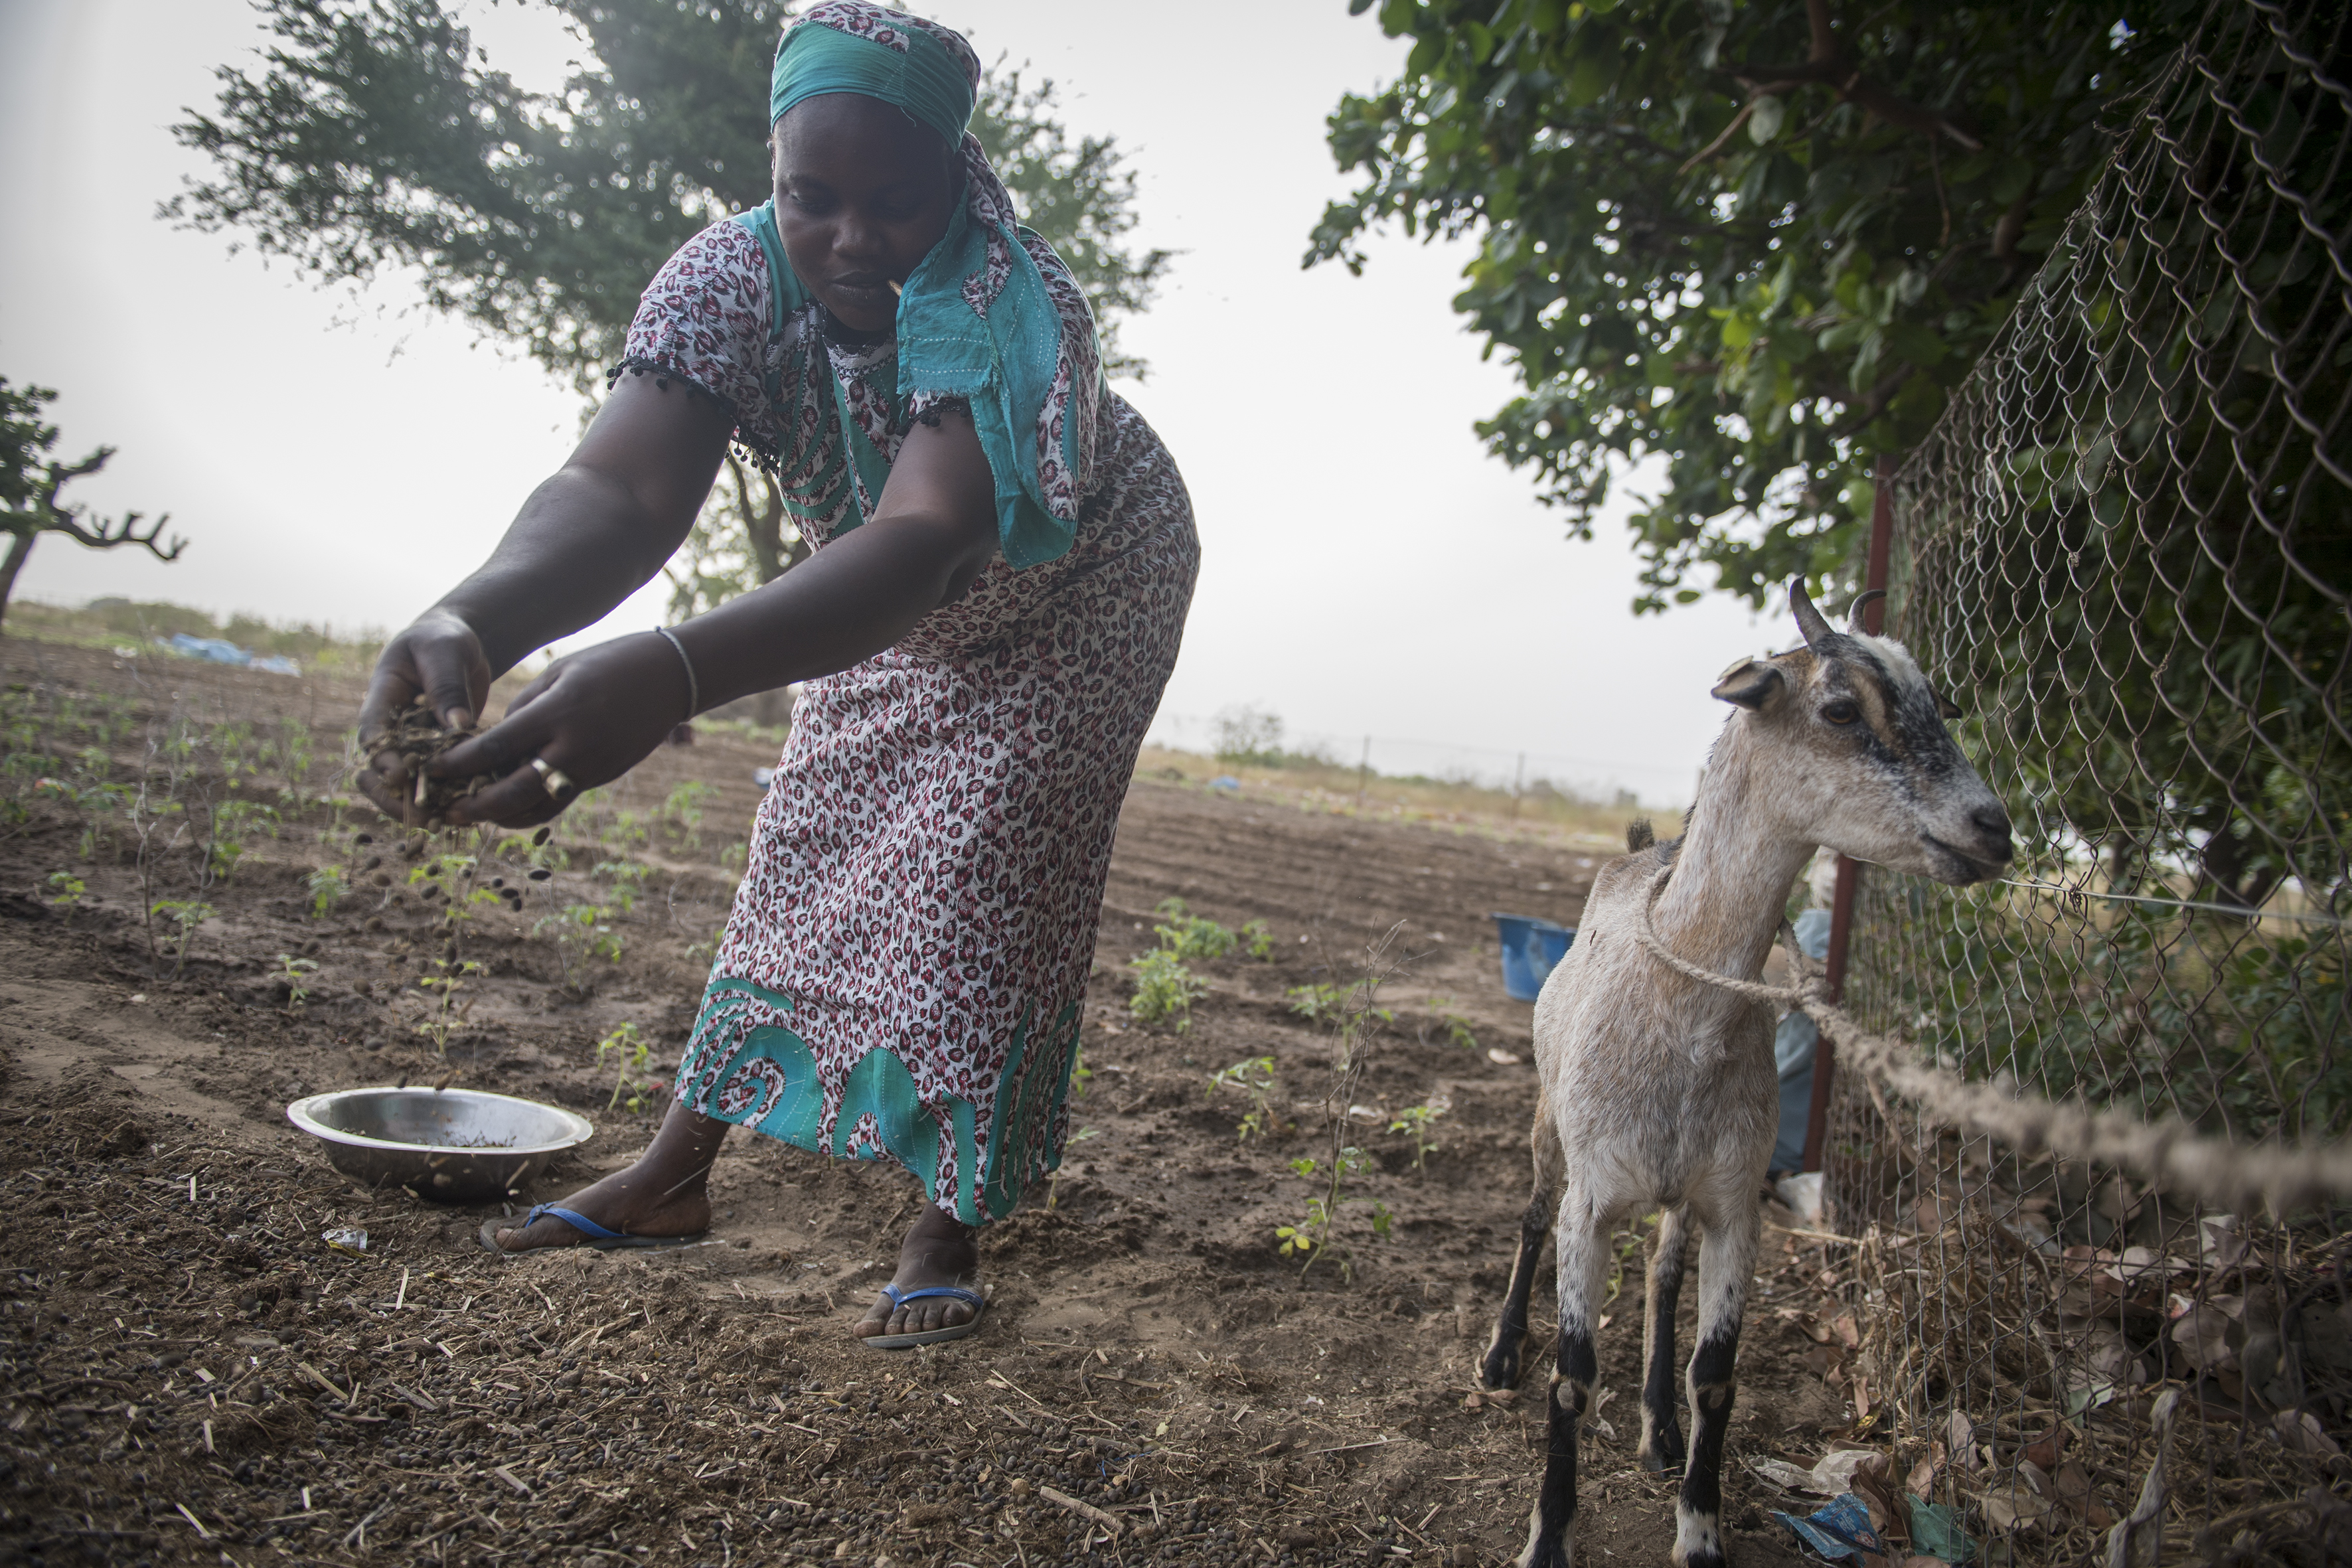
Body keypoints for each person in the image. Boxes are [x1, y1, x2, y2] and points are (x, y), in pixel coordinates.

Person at [356, 1, 1198, 1349]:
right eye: (812, 196)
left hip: (1081, 590)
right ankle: (671, 1176)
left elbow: (925, 536)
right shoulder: (726, 279)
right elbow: (616, 490)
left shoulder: (1001, 300)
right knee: (805, 832)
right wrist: (475, 615)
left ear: (956, 183)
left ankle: (944, 1220)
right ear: (770, 165)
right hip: (882, 591)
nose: (849, 238)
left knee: (985, 866)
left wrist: (673, 669)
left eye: (892, 201)